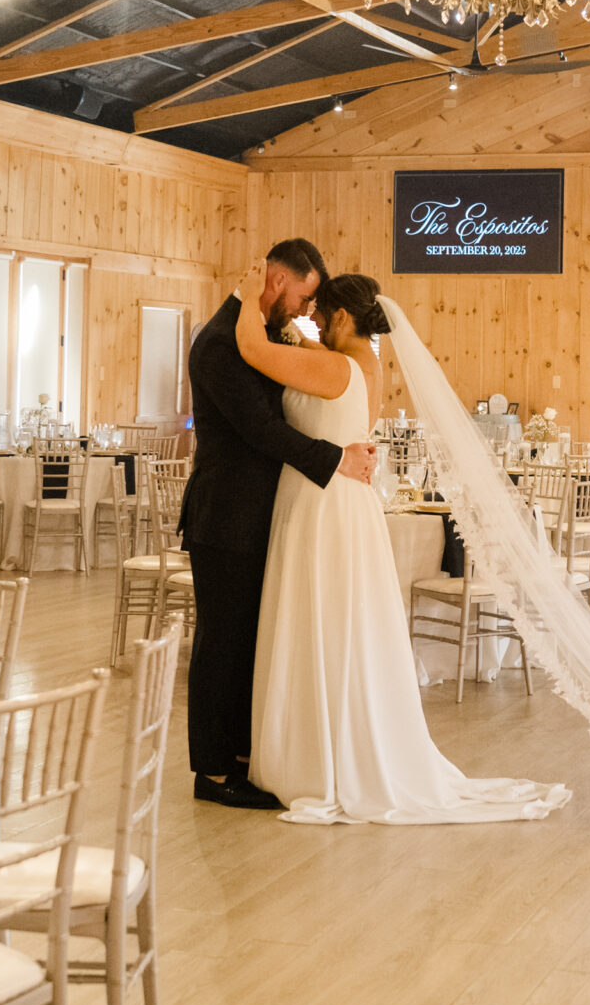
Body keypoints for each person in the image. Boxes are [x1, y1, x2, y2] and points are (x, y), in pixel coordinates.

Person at [232, 270, 568, 824]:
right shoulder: (364, 362)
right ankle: (328, 747)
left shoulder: (335, 365)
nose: (309, 319)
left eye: (319, 312)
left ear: (342, 317)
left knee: (323, 621)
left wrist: (249, 292)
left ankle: (319, 759)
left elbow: (249, 346)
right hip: (334, 499)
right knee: (336, 625)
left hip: (324, 506)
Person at [182, 239, 377, 809]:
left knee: (249, 642)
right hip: (226, 515)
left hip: (262, 515)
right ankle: (213, 772)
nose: (303, 309)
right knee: (221, 644)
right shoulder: (221, 342)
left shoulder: (261, 333)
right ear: (275, 279)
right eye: (303, 295)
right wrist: (335, 458)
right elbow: (260, 431)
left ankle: (245, 758)